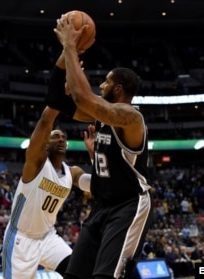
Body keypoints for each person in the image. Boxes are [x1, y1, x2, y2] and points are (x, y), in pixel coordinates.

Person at [45, 13, 154, 279]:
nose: (100, 85)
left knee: (105, 277)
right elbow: (57, 99)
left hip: (129, 206)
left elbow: (82, 97)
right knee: (74, 275)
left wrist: (71, 46)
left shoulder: (131, 117)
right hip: (103, 206)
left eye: (105, 81)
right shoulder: (101, 117)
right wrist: (63, 57)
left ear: (117, 89)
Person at [2, 104, 91, 279]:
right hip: (21, 240)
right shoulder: (36, 164)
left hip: (48, 238)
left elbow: (99, 185)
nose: (61, 139)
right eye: (55, 136)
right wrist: (57, 100)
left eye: (63, 137)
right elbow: (44, 122)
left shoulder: (71, 173)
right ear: (45, 143)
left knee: (81, 272)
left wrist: (95, 155)